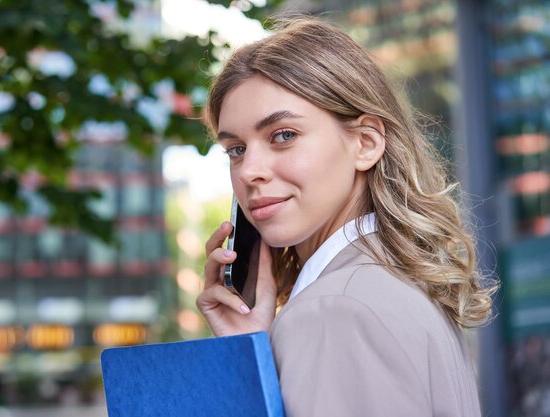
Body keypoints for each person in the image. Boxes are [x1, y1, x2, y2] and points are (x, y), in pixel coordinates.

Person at [196, 17, 497, 417]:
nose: (249, 170)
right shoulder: (392, 287)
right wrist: (251, 361)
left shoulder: (334, 309)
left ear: (366, 143)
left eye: (283, 135)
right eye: (236, 149)